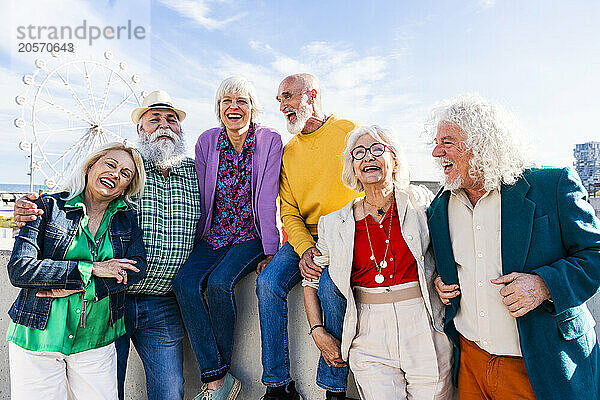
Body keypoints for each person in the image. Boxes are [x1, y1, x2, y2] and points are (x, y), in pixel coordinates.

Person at [14, 90, 202, 400]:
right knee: (105, 390)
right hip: (109, 301)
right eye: (153, 119)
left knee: (170, 391)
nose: (164, 125)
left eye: (172, 120)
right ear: (139, 129)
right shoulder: (124, 169)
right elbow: (71, 201)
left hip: (162, 301)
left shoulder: (198, 173)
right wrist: (26, 208)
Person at [427, 94, 600, 400]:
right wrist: (441, 282)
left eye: (448, 141)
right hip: (470, 361)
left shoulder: (552, 185)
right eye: (436, 142)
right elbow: (450, 266)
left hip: (541, 366)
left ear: (481, 144)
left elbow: (595, 253)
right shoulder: (439, 208)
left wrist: (545, 285)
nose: (436, 151)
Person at [302, 125, 453, 400]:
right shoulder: (334, 223)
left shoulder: (422, 203)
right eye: (359, 153)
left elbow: (450, 246)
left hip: (423, 323)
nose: (367, 157)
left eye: (377, 149)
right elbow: (311, 279)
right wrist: (317, 331)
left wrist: (444, 278)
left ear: (394, 160)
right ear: (353, 167)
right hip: (367, 332)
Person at [7, 142, 147, 400]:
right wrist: (91, 269)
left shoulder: (127, 219)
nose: (116, 174)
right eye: (111, 164)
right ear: (92, 164)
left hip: (97, 341)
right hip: (38, 337)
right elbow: (20, 269)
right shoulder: (46, 208)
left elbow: (136, 269)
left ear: (128, 185)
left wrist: (84, 285)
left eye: (125, 174)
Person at [171, 76, 282, 400]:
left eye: (241, 101)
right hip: (214, 233)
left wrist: (271, 250)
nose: (234, 107)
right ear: (219, 108)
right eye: (226, 102)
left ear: (252, 107)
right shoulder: (206, 141)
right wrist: (196, 238)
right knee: (185, 283)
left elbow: (267, 197)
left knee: (220, 283)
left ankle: (214, 384)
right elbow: (204, 195)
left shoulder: (269, 140)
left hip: (250, 235)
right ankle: (219, 376)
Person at [255, 73, 359, 400]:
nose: (283, 104)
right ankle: (278, 385)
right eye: (279, 100)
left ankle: (334, 389)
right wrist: (304, 250)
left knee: (330, 286)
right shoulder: (288, 152)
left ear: (311, 95)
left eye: (288, 96)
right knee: (268, 284)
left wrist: (324, 249)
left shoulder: (348, 133)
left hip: (346, 233)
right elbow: (288, 210)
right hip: (307, 236)